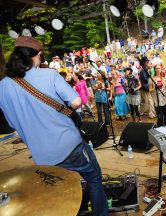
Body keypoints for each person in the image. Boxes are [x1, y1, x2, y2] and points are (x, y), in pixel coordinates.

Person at [0, 37, 108, 216]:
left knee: (58, 191)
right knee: (94, 178)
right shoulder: (49, 74)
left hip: (42, 155)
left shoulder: (2, 87)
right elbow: (76, 101)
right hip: (69, 145)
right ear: (37, 56)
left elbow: (10, 123)